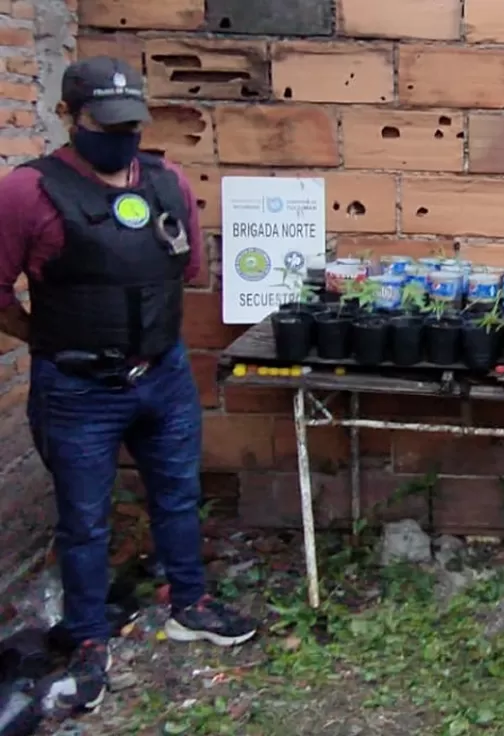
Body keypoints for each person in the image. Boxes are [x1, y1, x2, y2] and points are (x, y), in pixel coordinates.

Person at [0, 57, 257, 712]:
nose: (121, 136)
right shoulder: (27, 193)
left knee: (178, 493)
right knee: (83, 518)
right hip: (78, 386)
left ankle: (188, 602)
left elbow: (189, 266)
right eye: (104, 123)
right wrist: (48, 340)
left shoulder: (168, 181)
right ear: (69, 117)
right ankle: (89, 637)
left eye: (131, 124)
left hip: (162, 374)